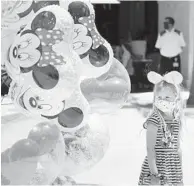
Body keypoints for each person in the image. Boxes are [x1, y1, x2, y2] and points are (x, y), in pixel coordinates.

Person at [138, 71, 185, 185]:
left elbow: (177, 148)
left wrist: (179, 174)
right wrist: (155, 175)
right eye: (159, 97)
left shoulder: (176, 120)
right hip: (157, 169)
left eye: (167, 97)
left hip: (173, 170)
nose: (163, 100)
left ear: (175, 97)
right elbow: (150, 149)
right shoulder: (154, 120)